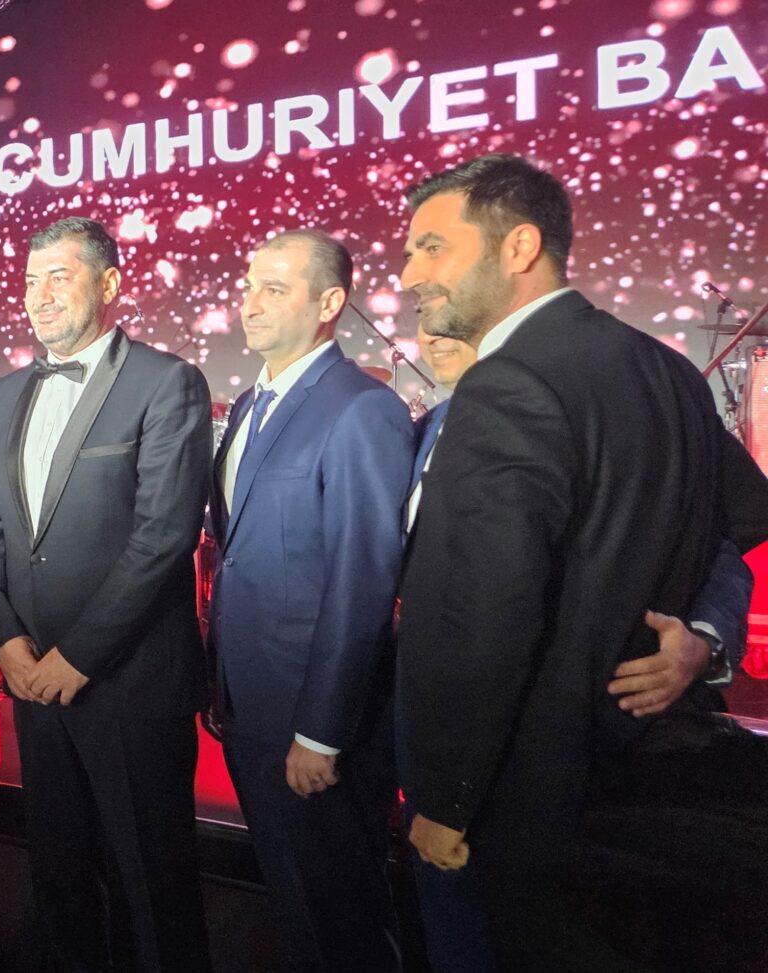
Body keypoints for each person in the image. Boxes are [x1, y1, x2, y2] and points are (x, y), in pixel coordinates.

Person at [395, 154, 768, 968]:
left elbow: (487, 609)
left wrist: (448, 798)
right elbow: (747, 512)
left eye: (432, 247)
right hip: (646, 775)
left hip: (530, 790)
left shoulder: (505, 381)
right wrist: (701, 632)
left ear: (519, 246)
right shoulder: (666, 367)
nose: (410, 273)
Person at [0, 217, 214, 973]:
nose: (38, 295)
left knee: (153, 888)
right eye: (30, 279)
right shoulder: (8, 391)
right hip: (33, 681)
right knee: (60, 878)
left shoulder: (166, 381)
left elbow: (163, 536)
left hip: (129, 684)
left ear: (109, 284)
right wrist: (7, 642)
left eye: (59, 276)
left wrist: (76, 657)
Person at [206, 230, 411, 971]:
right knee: (293, 904)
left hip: (314, 723)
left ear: (329, 303)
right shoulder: (251, 404)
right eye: (247, 286)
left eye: (274, 288)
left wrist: (322, 732)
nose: (250, 303)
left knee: (340, 916)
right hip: (249, 704)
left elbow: (364, 579)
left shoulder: (361, 408)